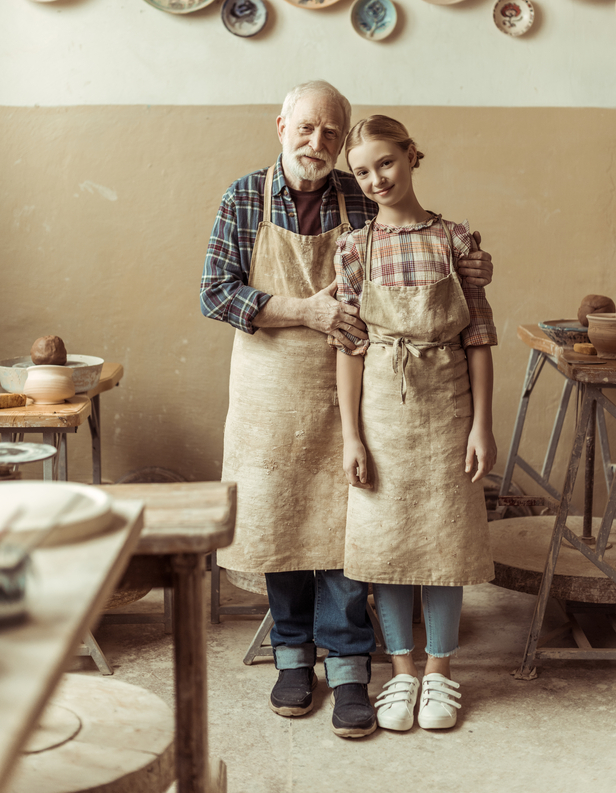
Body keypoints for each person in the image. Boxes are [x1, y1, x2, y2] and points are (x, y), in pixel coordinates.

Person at [200, 84, 494, 738]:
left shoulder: (358, 195)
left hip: (355, 388)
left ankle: (350, 666)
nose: (318, 144)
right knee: (280, 520)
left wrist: (473, 264)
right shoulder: (243, 196)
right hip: (270, 386)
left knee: (344, 525)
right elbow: (215, 293)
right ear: (280, 125)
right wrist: (302, 309)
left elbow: (420, 248)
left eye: (330, 134)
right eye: (306, 128)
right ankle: (293, 657)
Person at [334, 114, 497, 733]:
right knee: (388, 545)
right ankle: (401, 673)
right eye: (363, 171)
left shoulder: (457, 241)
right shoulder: (355, 247)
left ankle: (440, 674)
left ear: (411, 155)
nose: (376, 179)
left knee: (445, 540)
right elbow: (348, 348)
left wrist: (482, 425)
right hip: (380, 412)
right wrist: (352, 435)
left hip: (448, 407)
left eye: (386, 163)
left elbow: (478, 338)